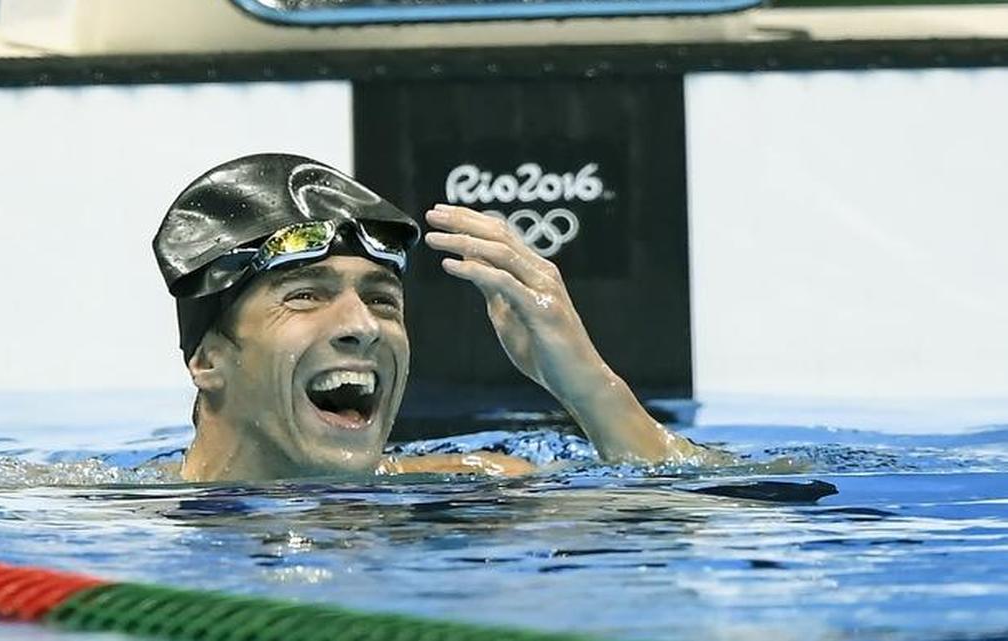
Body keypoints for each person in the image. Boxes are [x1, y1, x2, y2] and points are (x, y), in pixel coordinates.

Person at [153, 154, 722, 482]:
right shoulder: (105, 511)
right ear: (208, 360)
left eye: (382, 301)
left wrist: (587, 386)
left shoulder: (475, 486)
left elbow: (701, 509)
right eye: (305, 296)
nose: (365, 326)